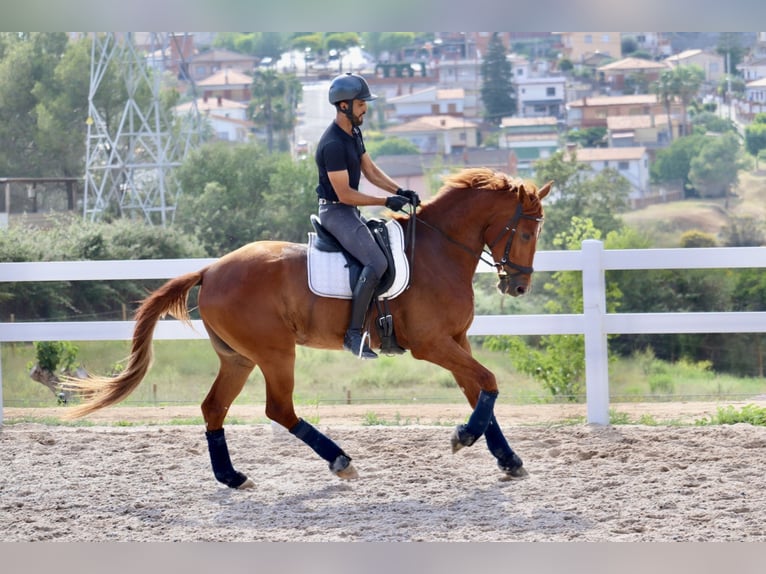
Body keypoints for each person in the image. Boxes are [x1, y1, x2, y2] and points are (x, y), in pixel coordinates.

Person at [314, 73, 420, 360]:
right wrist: (386, 200)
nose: (366, 108)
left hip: (349, 210)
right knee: (376, 261)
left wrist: (400, 190)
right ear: (344, 105)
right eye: (362, 103)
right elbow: (345, 194)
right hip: (336, 211)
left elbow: (370, 171)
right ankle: (352, 334)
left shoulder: (353, 134)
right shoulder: (333, 144)